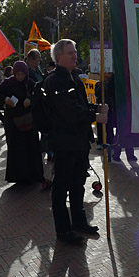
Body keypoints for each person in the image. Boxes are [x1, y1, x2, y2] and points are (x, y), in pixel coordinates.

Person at [43, 39, 108, 245]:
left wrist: (95, 109)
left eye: (75, 52)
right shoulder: (54, 81)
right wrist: (93, 116)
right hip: (64, 142)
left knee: (78, 182)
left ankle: (79, 222)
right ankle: (63, 229)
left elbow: (81, 105)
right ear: (59, 56)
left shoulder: (75, 79)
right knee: (62, 185)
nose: (75, 56)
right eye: (70, 53)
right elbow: (68, 111)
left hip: (79, 141)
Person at [0, 61, 44, 184]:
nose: (20, 77)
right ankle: (19, 177)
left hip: (29, 121)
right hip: (13, 122)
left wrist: (30, 100)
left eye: (22, 74)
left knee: (31, 146)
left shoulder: (30, 83)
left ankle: (34, 175)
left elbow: (39, 96)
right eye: (18, 74)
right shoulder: (8, 84)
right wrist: (6, 99)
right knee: (17, 148)